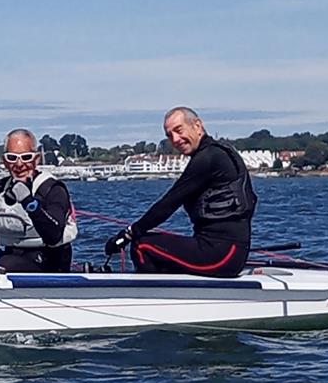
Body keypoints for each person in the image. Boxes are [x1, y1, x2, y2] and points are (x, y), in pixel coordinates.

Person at [104, 107, 257, 277]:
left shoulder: (208, 158)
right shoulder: (217, 151)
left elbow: (167, 205)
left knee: (142, 246)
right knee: (154, 245)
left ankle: (151, 299)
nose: (175, 139)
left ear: (197, 126)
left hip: (222, 255)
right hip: (230, 253)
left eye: (178, 130)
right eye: (169, 135)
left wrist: (127, 235)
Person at [0, 129, 77, 273]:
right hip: (11, 259)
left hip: (49, 263)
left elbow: (53, 236)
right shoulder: (1, 190)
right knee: (4, 264)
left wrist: (29, 203)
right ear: (5, 161)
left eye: (26, 157)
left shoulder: (53, 189)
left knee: (5, 264)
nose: (19, 164)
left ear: (36, 160)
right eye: (12, 158)